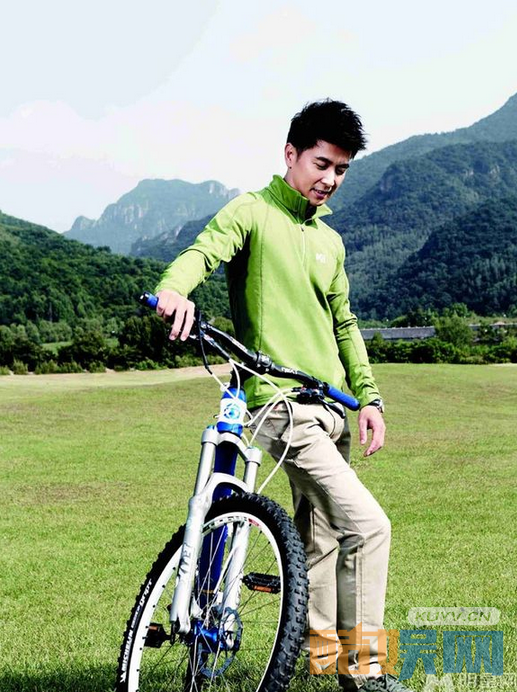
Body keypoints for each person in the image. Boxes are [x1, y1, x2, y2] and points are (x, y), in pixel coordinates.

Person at [154, 99, 412, 692]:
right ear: (291, 153)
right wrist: (174, 289)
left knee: (320, 541)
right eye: (322, 164)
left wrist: (370, 399)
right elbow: (203, 251)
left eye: (341, 170)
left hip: (332, 410)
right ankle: (367, 670)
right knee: (370, 526)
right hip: (280, 405)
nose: (331, 179)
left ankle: (321, 661)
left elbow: (344, 325)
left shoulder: (331, 242)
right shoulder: (252, 211)